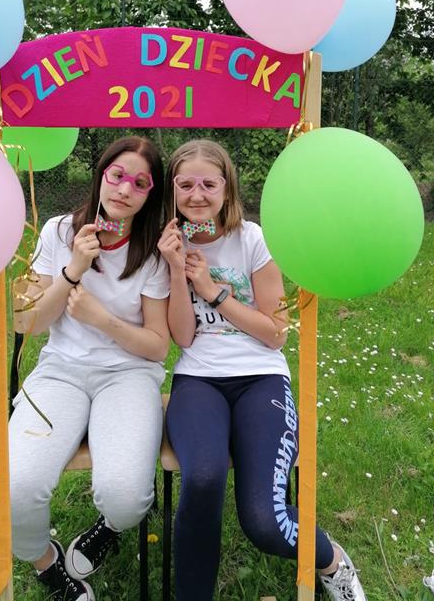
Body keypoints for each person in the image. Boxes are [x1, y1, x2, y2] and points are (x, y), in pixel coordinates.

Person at [157, 139, 367, 601]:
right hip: (199, 379)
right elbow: (184, 338)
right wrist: (175, 270)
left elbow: (275, 333)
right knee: (203, 478)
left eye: (208, 184)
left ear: (227, 188)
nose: (197, 195)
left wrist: (212, 291)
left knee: (265, 522)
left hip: (261, 378)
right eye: (185, 185)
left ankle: (332, 560)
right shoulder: (169, 245)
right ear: (171, 190)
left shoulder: (251, 239)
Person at [9, 136, 170, 601]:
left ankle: (110, 526)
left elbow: (157, 347)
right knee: (14, 489)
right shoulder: (58, 231)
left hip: (128, 376)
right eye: (117, 175)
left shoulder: (152, 253)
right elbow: (28, 323)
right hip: (61, 372)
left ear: (151, 194)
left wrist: (103, 320)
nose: (124, 189)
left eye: (140, 183)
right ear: (101, 175)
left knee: (126, 497)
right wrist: (73, 269)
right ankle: (45, 561)